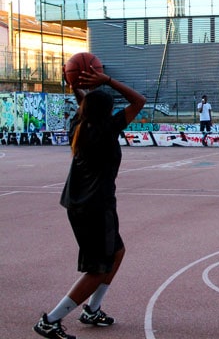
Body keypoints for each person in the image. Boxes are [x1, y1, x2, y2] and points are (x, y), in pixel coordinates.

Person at [33, 65, 146, 339]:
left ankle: (92, 310)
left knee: (117, 253)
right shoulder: (106, 130)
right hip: (95, 208)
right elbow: (139, 101)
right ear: (107, 112)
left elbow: (86, 103)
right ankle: (50, 320)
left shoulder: (80, 125)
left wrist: (74, 83)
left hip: (82, 204)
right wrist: (106, 79)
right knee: (98, 269)